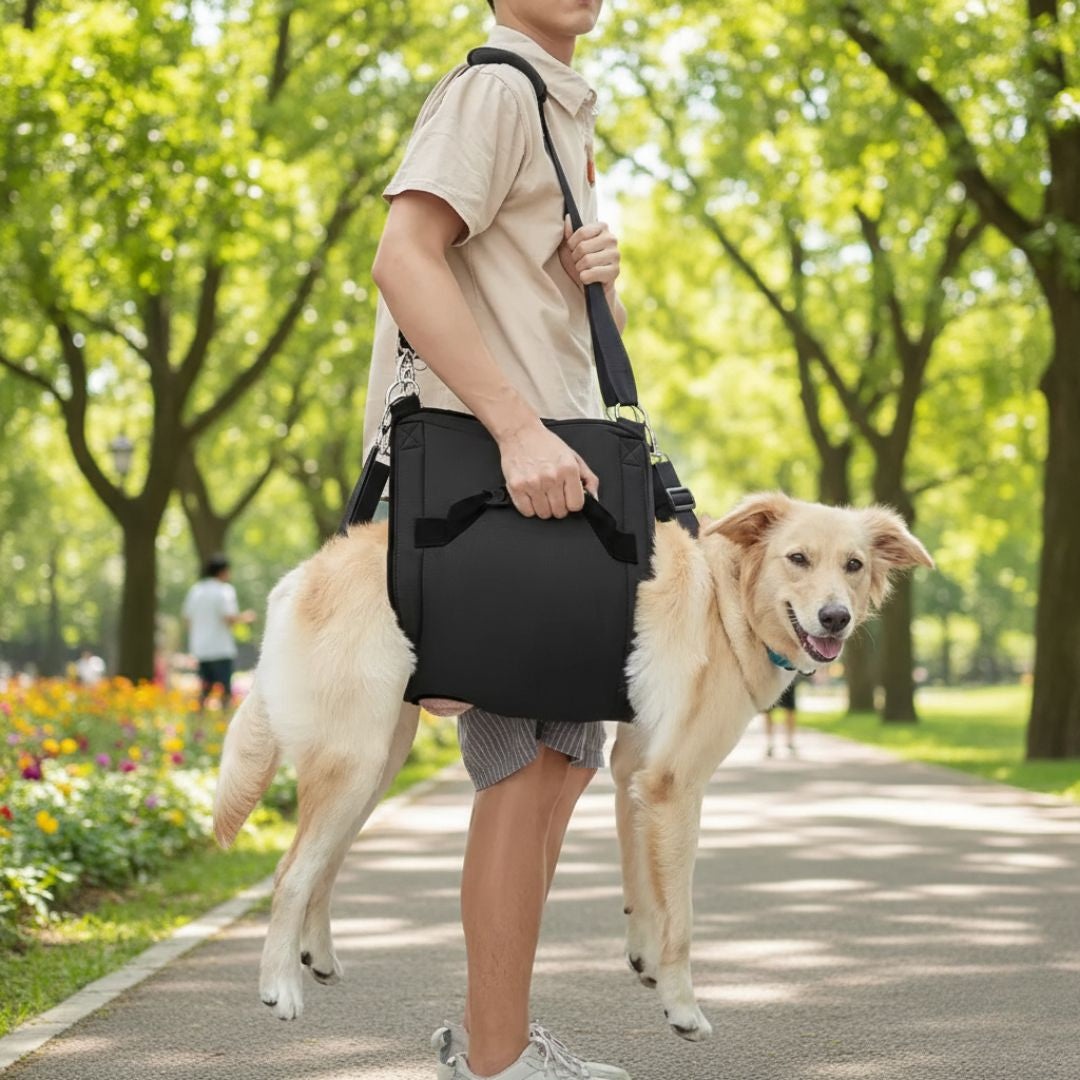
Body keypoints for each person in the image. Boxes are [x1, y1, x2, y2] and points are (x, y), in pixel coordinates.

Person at [364, 3, 631, 1078]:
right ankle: (494, 1064)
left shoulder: (559, 108)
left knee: (562, 759)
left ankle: (494, 1043)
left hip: (559, 473)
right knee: (523, 769)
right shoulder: (492, 89)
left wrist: (590, 274)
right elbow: (404, 257)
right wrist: (517, 430)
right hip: (505, 475)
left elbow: (508, 298)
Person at [181, 554, 254, 709]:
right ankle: (225, 719)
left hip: (201, 648)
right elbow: (229, 617)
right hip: (221, 648)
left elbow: (187, 619)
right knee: (225, 689)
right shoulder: (224, 590)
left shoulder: (196, 590)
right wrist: (246, 617)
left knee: (204, 688)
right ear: (223, 571)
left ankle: (198, 721)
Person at [765, 678, 799, 757]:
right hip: (770, 678)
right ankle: (770, 743)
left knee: (790, 710)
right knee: (768, 711)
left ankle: (790, 742)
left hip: (788, 677)